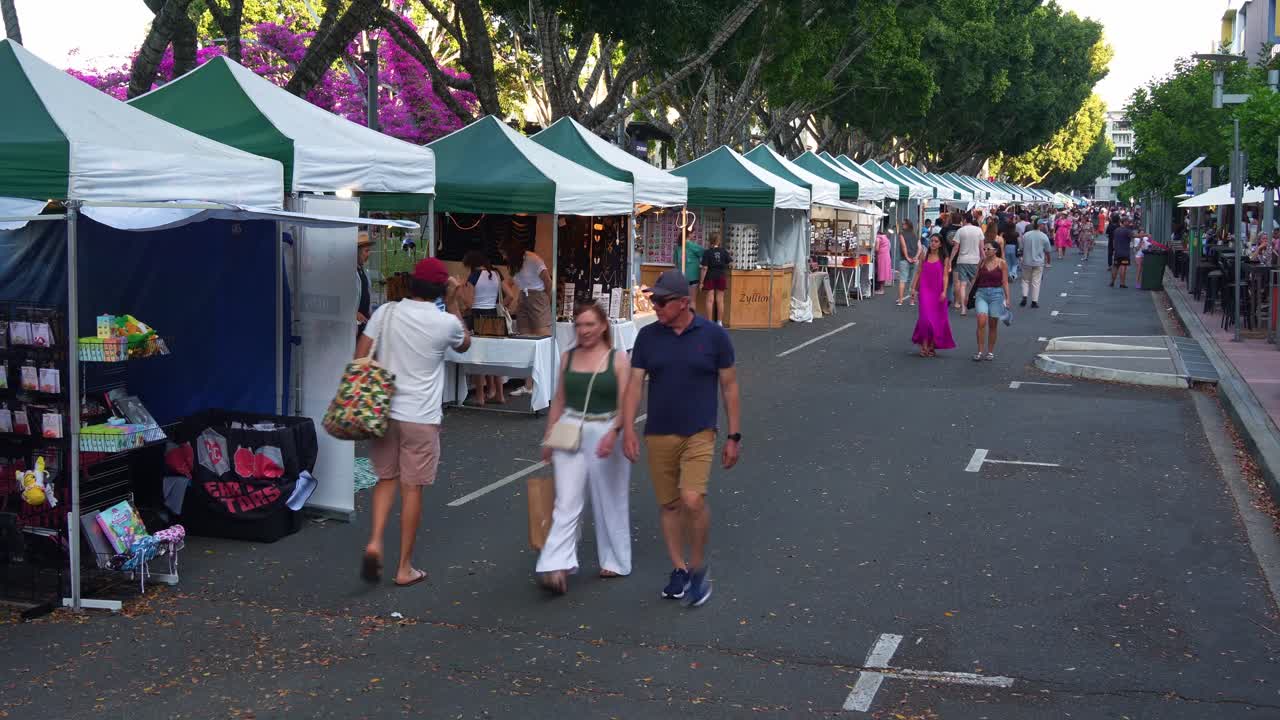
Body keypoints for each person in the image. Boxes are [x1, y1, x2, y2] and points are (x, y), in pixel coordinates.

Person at [621, 270, 740, 608]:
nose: (654, 305)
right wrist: (628, 428)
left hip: (700, 431)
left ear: (684, 303)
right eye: (652, 299)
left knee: (691, 499)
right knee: (670, 505)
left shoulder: (714, 337)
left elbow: (729, 387)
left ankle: (699, 567)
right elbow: (634, 385)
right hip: (659, 432)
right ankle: (679, 569)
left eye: (661, 301)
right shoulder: (647, 337)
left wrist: (734, 434)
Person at [357, 258, 471, 587]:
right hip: (421, 415)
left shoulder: (385, 312)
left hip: (384, 411)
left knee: (385, 479)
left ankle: (375, 541)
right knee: (412, 489)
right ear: (439, 288)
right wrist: (452, 299)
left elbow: (360, 355)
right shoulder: (444, 322)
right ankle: (404, 567)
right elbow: (465, 343)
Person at [536, 302, 633, 594]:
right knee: (566, 501)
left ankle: (615, 560)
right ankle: (555, 564)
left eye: (590, 324)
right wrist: (548, 438)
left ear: (603, 326)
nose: (584, 330)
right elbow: (559, 400)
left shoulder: (618, 359)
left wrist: (617, 433)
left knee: (610, 499)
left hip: (606, 430)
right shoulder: (567, 358)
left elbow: (627, 403)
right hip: (570, 429)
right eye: (579, 325)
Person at [459, 250, 510, 406]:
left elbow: (469, 303)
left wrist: (460, 289)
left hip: (478, 316)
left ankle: (480, 397)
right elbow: (511, 296)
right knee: (495, 357)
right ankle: (500, 395)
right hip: (494, 316)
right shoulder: (496, 273)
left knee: (479, 358)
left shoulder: (474, 276)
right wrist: (501, 307)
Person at [504, 240, 553, 397]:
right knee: (525, 339)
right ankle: (528, 385)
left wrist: (547, 300)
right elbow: (511, 281)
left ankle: (545, 384)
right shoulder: (514, 264)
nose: (502, 256)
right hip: (523, 297)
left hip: (537, 296)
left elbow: (547, 280)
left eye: (503, 252)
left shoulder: (533, 259)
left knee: (542, 339)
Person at [910, 233, 956, 357]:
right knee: (925, 319)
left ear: (940, 244)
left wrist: (944, 291)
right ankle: (924, 345)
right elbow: (919, 272)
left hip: (938, 291)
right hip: (925, 290)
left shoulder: (944, 258)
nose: (933, 243)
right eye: (932, 241)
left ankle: (931, 345)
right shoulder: (924, 256)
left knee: (936, 320)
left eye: (936, 241)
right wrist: (913, 288)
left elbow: (946, 276)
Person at [971, 240, 1010, 361]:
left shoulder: (1002, 263)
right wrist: (968, 294)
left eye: (988, 249)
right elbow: (975, 278)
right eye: (984, 249)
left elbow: (1005, 282)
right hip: (981, 293)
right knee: (981, 321)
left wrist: (1008, 298)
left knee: (993, 324)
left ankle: (990, 351)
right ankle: (980, 351)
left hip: (997, 295)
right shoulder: (981, 262)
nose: (986, 251)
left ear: (995, 250)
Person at [950, 212, 983, 316]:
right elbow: (981, 248)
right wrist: (984, 259)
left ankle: (963, 309)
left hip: (962, 260)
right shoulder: (979, 230)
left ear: (964, 220)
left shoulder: (960, 230)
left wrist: (950, 260)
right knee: (976, 284)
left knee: (962, 285)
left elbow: (956, 247)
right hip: (975, 260)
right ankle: (978, 306)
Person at [699, 233, 732, 325]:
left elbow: (704, 268)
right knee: (720, 300)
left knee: (710, 300)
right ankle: (719, 322)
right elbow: (730, 263)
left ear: (710, 241)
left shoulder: (707, 252)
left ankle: (709, 322)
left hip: (710, 277)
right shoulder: (724, 251)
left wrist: (701, 282)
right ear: (719, 241)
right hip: (721, 276)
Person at [1019, 221, 1052, 307]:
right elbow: (1048, 250)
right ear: (1040, 226)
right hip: (1038, 262)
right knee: (1036, 282)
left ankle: (1025, 296)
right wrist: (1048, 261)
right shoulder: (1044, 236)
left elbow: (1021, 247)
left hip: (1027, 261)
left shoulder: (1026, 235)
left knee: (1025, 280)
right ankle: (1034, 301)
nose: (1044, 226)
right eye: (1043, 224)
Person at [897, 219, 921, 306]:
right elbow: (920, 247)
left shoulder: (902, 234)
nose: (902, 225)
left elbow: (904, 246)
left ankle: (900, 300)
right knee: (913, 281)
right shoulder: (915, 234)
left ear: (907, 225)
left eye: (903, 224)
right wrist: (916, 257)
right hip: (915, 260)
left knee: (902, 280)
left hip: (904, 259)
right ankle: (912, 301)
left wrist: (907, 257)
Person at [356, 232, 374, 338]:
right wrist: (354, 313)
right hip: (354, 324)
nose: (368, 254)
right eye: (366, 251)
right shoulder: (348, 272)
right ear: (357, 252)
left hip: (364, 322)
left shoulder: (363, 271)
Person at [1110, 218, 1134, 288]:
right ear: (1123, 222)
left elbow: (1114, 241)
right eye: (1127, 222)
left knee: (1115, 266)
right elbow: (1134, 236)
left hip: (1117, 252)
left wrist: (1114, 249)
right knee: (1123, 266)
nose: (1128, 223)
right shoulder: (1127, 230)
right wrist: (1145, 235)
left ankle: (1112, 282)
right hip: (1125, 252)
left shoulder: (1116, 230)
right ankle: (1122, 283)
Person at [875, 224, 893, 294]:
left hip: (881, 256)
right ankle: (881, 288)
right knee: (884, 272)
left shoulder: (878, 238)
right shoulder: (886, 238)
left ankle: (881, 289)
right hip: (887, 256)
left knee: (881, 272)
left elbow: (876, 248)